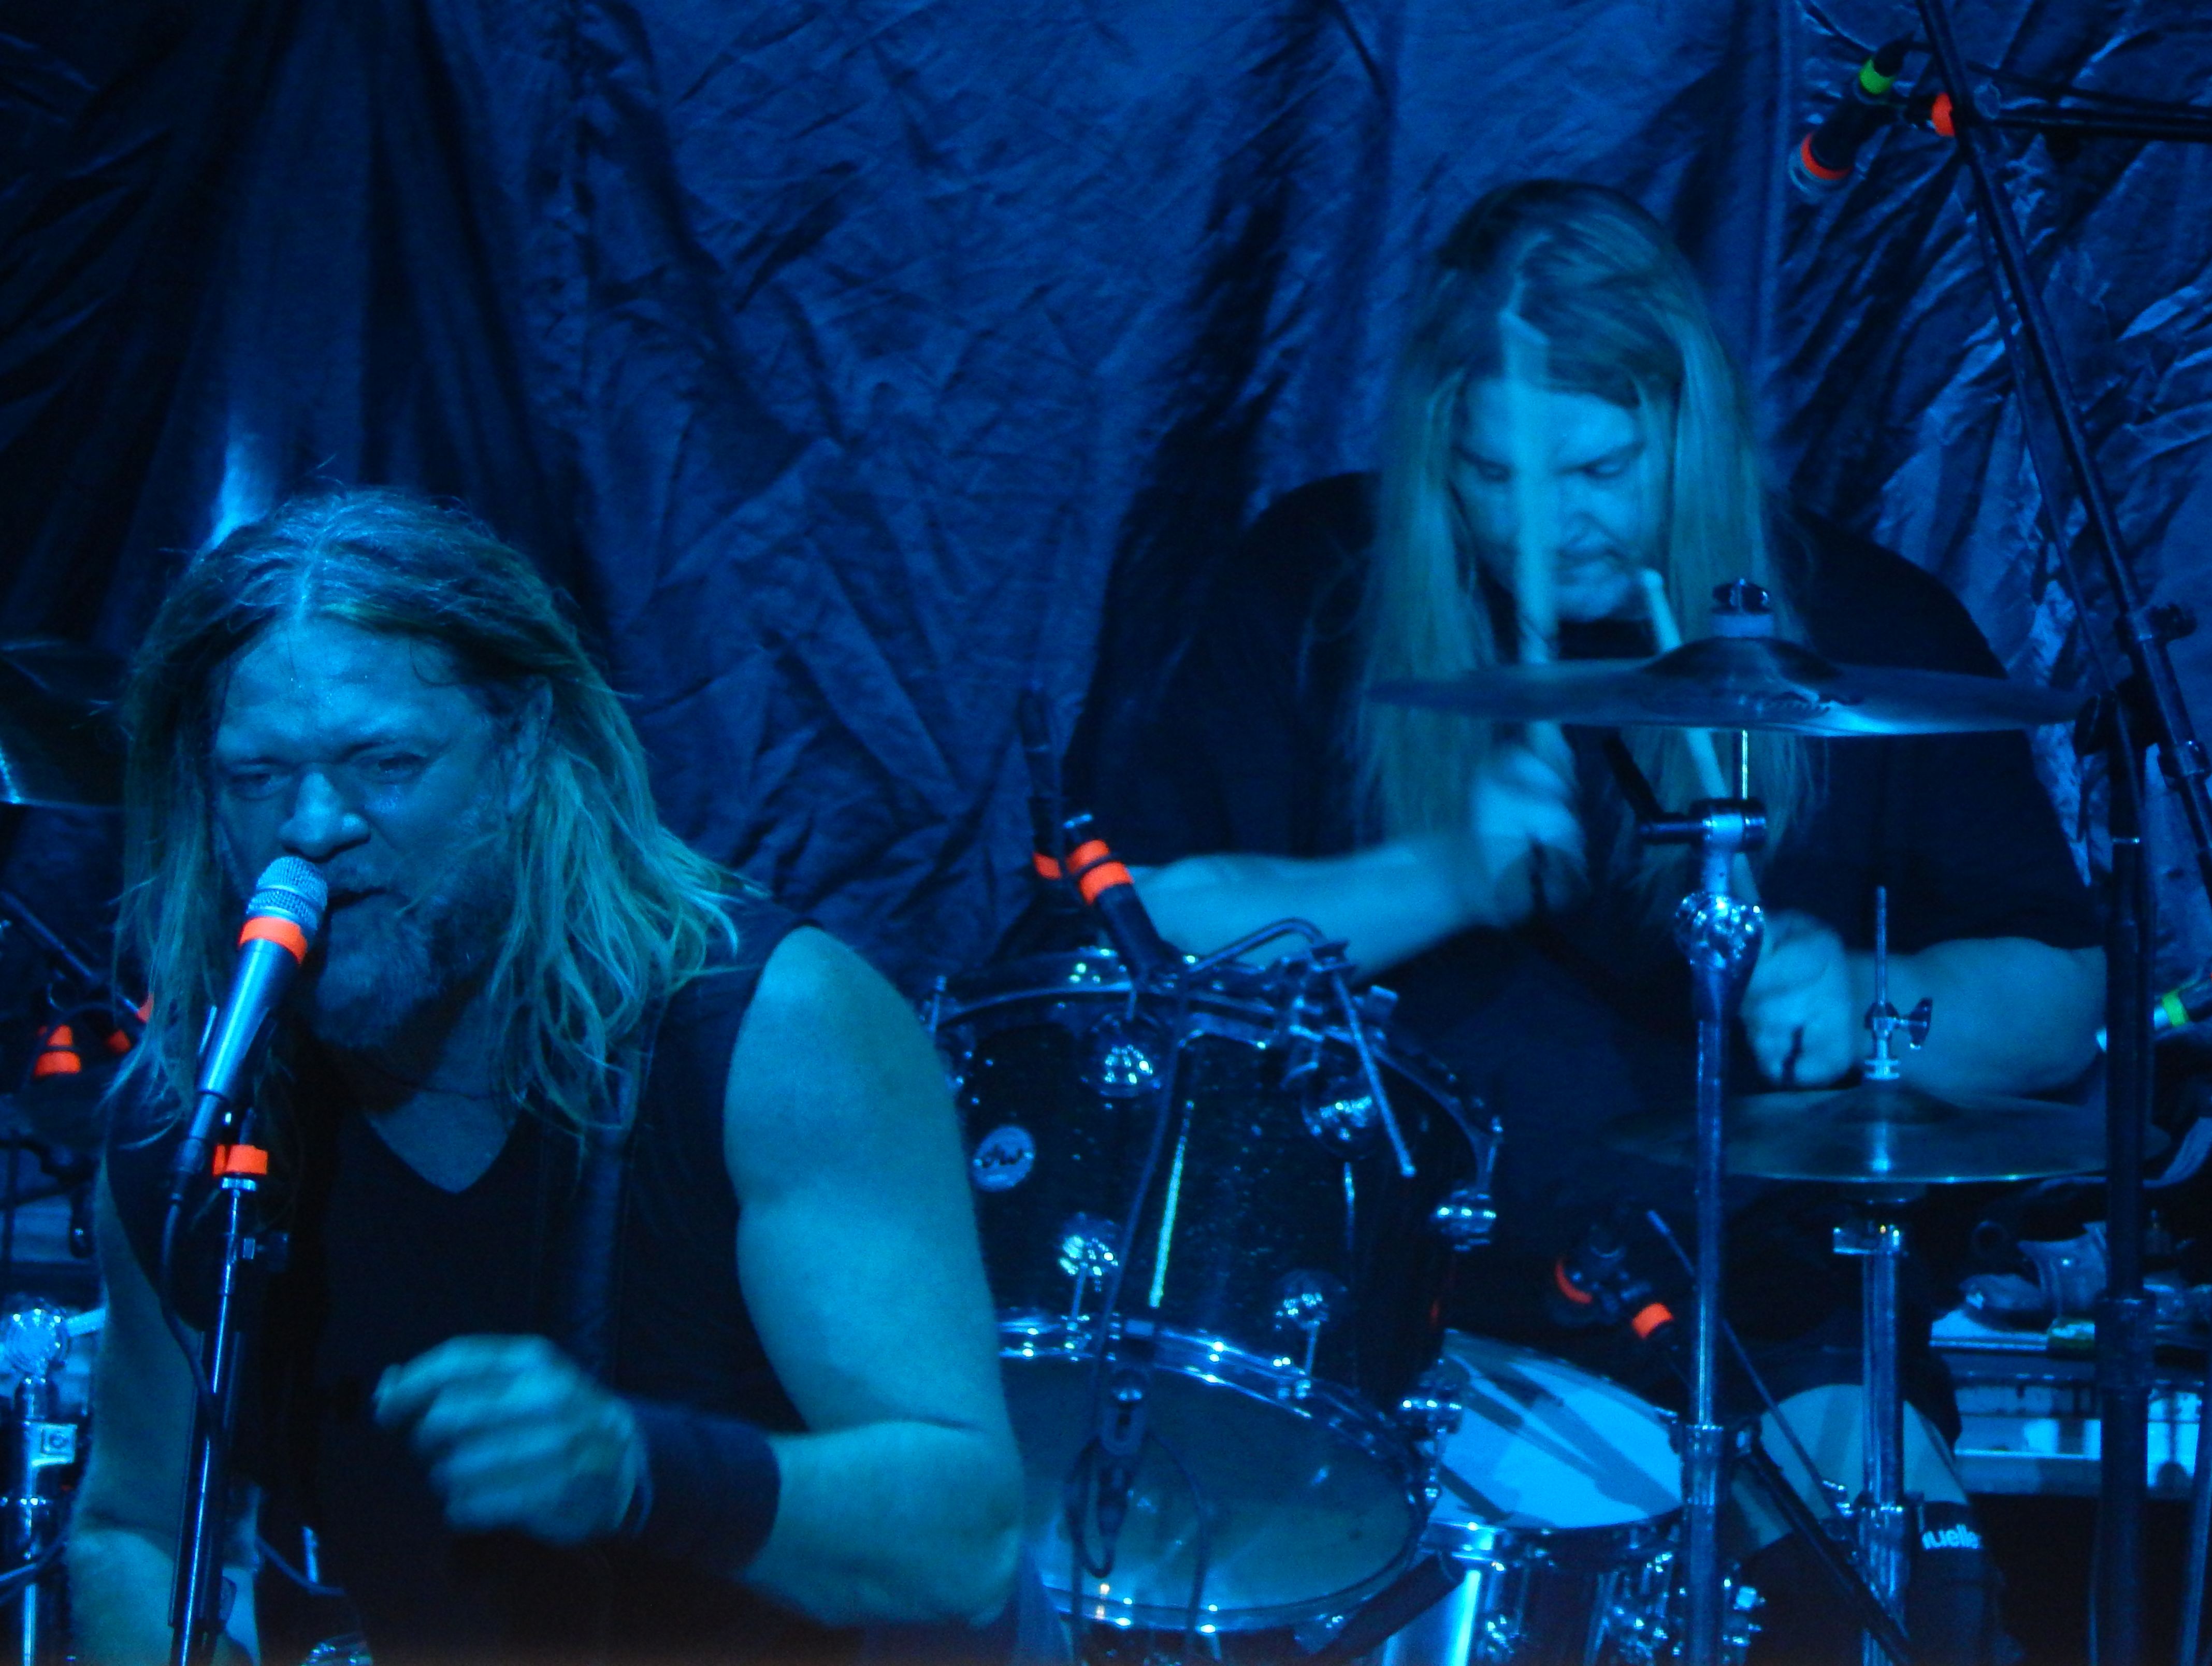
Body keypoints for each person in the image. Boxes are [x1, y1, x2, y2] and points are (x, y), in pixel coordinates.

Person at [1069, 181, 2106, 1661]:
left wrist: (1867, 997)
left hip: (1757, 1313)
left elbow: (2060, 997)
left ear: (1688, 429)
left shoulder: (1872, 628)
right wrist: (1441, 874)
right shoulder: (1315, 585)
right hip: (1369, 1315)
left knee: (1903, 1615)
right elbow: (1147, 933)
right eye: (1494, 477)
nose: (1551, 531)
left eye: (1601, 470)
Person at [70, 491, 1030, 1664]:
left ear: (523, 750)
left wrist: (638, 1469)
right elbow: (132, 1528)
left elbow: (965, 1539)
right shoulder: (188, 1119)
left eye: (387, 762)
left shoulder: (773, 1033)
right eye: (258, 777)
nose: (312, 826)